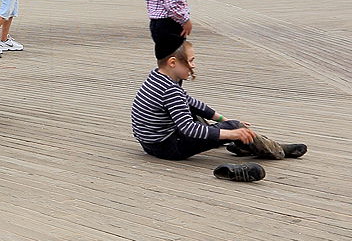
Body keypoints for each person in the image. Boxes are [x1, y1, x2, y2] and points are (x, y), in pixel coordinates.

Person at [131, 38, 306, 181]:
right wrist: (232, 131)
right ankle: (275, 150)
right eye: (191, 61)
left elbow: (191, 103)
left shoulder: (158, 77)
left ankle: (244, 145)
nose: (194, 66)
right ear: (172, 62)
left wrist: (221, 119)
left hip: (150, 142)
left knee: (207, 117)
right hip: (167, 146)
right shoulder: (170, 90)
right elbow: (188, 129)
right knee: (234, 127)